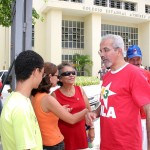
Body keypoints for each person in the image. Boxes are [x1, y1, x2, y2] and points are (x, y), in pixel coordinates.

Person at [89, 34, 150, 150]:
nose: (102, 55)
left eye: (106, 50)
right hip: (106, 144)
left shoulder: (135, 74)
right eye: (100, 51)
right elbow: (108, 101)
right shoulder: (106, 76)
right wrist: (95, 113)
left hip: (127, 145)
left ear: (119, 51)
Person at [31, 62, 89, 150]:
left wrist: (60, 110)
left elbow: (45, 114)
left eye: (73, 73)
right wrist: (87, 110)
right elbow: (72, 119)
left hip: (45, 141)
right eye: (57, 76)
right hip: (53, 142)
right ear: (50, 77)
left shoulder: (34, 96)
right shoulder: (48, 98)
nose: (58, 79)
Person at [0, 50, 44, 150]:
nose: (42, 78)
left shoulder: (17, 99)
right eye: (42, 73)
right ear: (36, 72)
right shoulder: (21, 107)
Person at [51, 62, 95, 150]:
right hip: (63, 137)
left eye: (73, 73)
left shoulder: (80, 90)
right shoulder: (54, 95)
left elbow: (89, 111)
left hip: (81, 135)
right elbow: (52, 118)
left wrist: (91, 129)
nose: (71, 75)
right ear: (60, 78)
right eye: (67, 73)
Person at [127, 44, 150, 150]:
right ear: (127, 59)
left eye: (138, 59)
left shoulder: (147, 74)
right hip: (128, 120)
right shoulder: (123, 75)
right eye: (132, 59)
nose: (136, 62)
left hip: (144, 120)